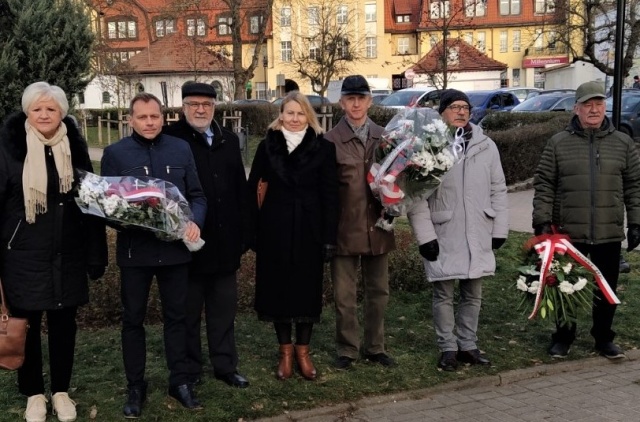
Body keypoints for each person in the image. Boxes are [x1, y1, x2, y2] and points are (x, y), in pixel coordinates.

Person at [0, 81, 107, 422]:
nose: (44, 115)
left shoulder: (74, 146)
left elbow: (90, 202)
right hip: (22, 256)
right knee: (26, 326)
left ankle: (61, 391)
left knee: (64, 327)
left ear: (62, 112)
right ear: (27, 112)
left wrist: (95, 252)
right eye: (37, 109)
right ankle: (33, 394)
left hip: (68, 253)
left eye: (51, 109)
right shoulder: (8, 148)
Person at [101, 93, 207, 417]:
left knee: (177, 318)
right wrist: (133, 218)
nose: (149, 122)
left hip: (175, 252)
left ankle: (180, 381)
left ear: (163, 117)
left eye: (155, 116)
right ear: (130, 119)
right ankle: (136, 386)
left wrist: (194, 223)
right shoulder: (115, 154)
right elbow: (106, 208)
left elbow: (197, 196)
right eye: (142, 117)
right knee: (133, 321)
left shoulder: (180, 148)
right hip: (136, 253)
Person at [532, 81, 640, 359]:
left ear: (605, 107)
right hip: (569, 234)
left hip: (608, 231)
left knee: (606, 290)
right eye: (588, 104)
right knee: (566, 288)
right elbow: (545, 184)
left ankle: (603, 338)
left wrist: (636, 222)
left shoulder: (623, 143)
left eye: (599, 104)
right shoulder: (558, 143)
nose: (594, 110)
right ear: (576, 108)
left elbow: (634, 186)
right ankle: (563, 337)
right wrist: (542, 220)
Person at [407, 89, 508, 372]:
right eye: (454, 107)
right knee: (443, 294)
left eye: (465, 107)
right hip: (444, 230)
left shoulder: (486, 146)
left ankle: (468, 345)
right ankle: (448, 348)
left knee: (473, 293)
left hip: (478, 229)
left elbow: (498, 188)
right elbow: (417, 195)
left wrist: (499, 227)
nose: (461, 112)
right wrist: (425, 236)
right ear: (442, 113)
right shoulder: (429, 145)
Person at [163, 82, 250, 389]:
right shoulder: (171, 140)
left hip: (225, 242)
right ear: (182, 106)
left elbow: (241, 188)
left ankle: (225, 366)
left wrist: (245, 234)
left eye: (206, 104)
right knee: (187, 312)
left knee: (223, 311)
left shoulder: (228, 139)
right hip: (188, 243)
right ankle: (190, 368)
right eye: (193, 104)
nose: (200, 109)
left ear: (215, 106)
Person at [247, 92, 339, 380]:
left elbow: (331, 196)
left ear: (308, 116)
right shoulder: (267, 146)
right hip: (274, 229)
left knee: (305, 292)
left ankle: (303, 352)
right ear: (281, 115)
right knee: (279, 292)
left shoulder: (323, 148)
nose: (295, 119)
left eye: (300, 114)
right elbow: (253, 189)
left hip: (309, 231)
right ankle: (285, 352)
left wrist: (328, 237)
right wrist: (253, 231)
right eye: (289, 113)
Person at [324, 75, 396, 370]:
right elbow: (325, 191)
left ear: (370, 101)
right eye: (350, 98)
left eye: (361, 98)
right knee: (345, 295)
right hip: (345, 229)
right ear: (341, 103)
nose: (356, 103)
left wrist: (396, 203)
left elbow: (399, 179)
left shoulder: (387, 136)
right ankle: (348, 349)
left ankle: (375, 347)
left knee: (379, 292)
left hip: (378, 227)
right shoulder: (329, 141)